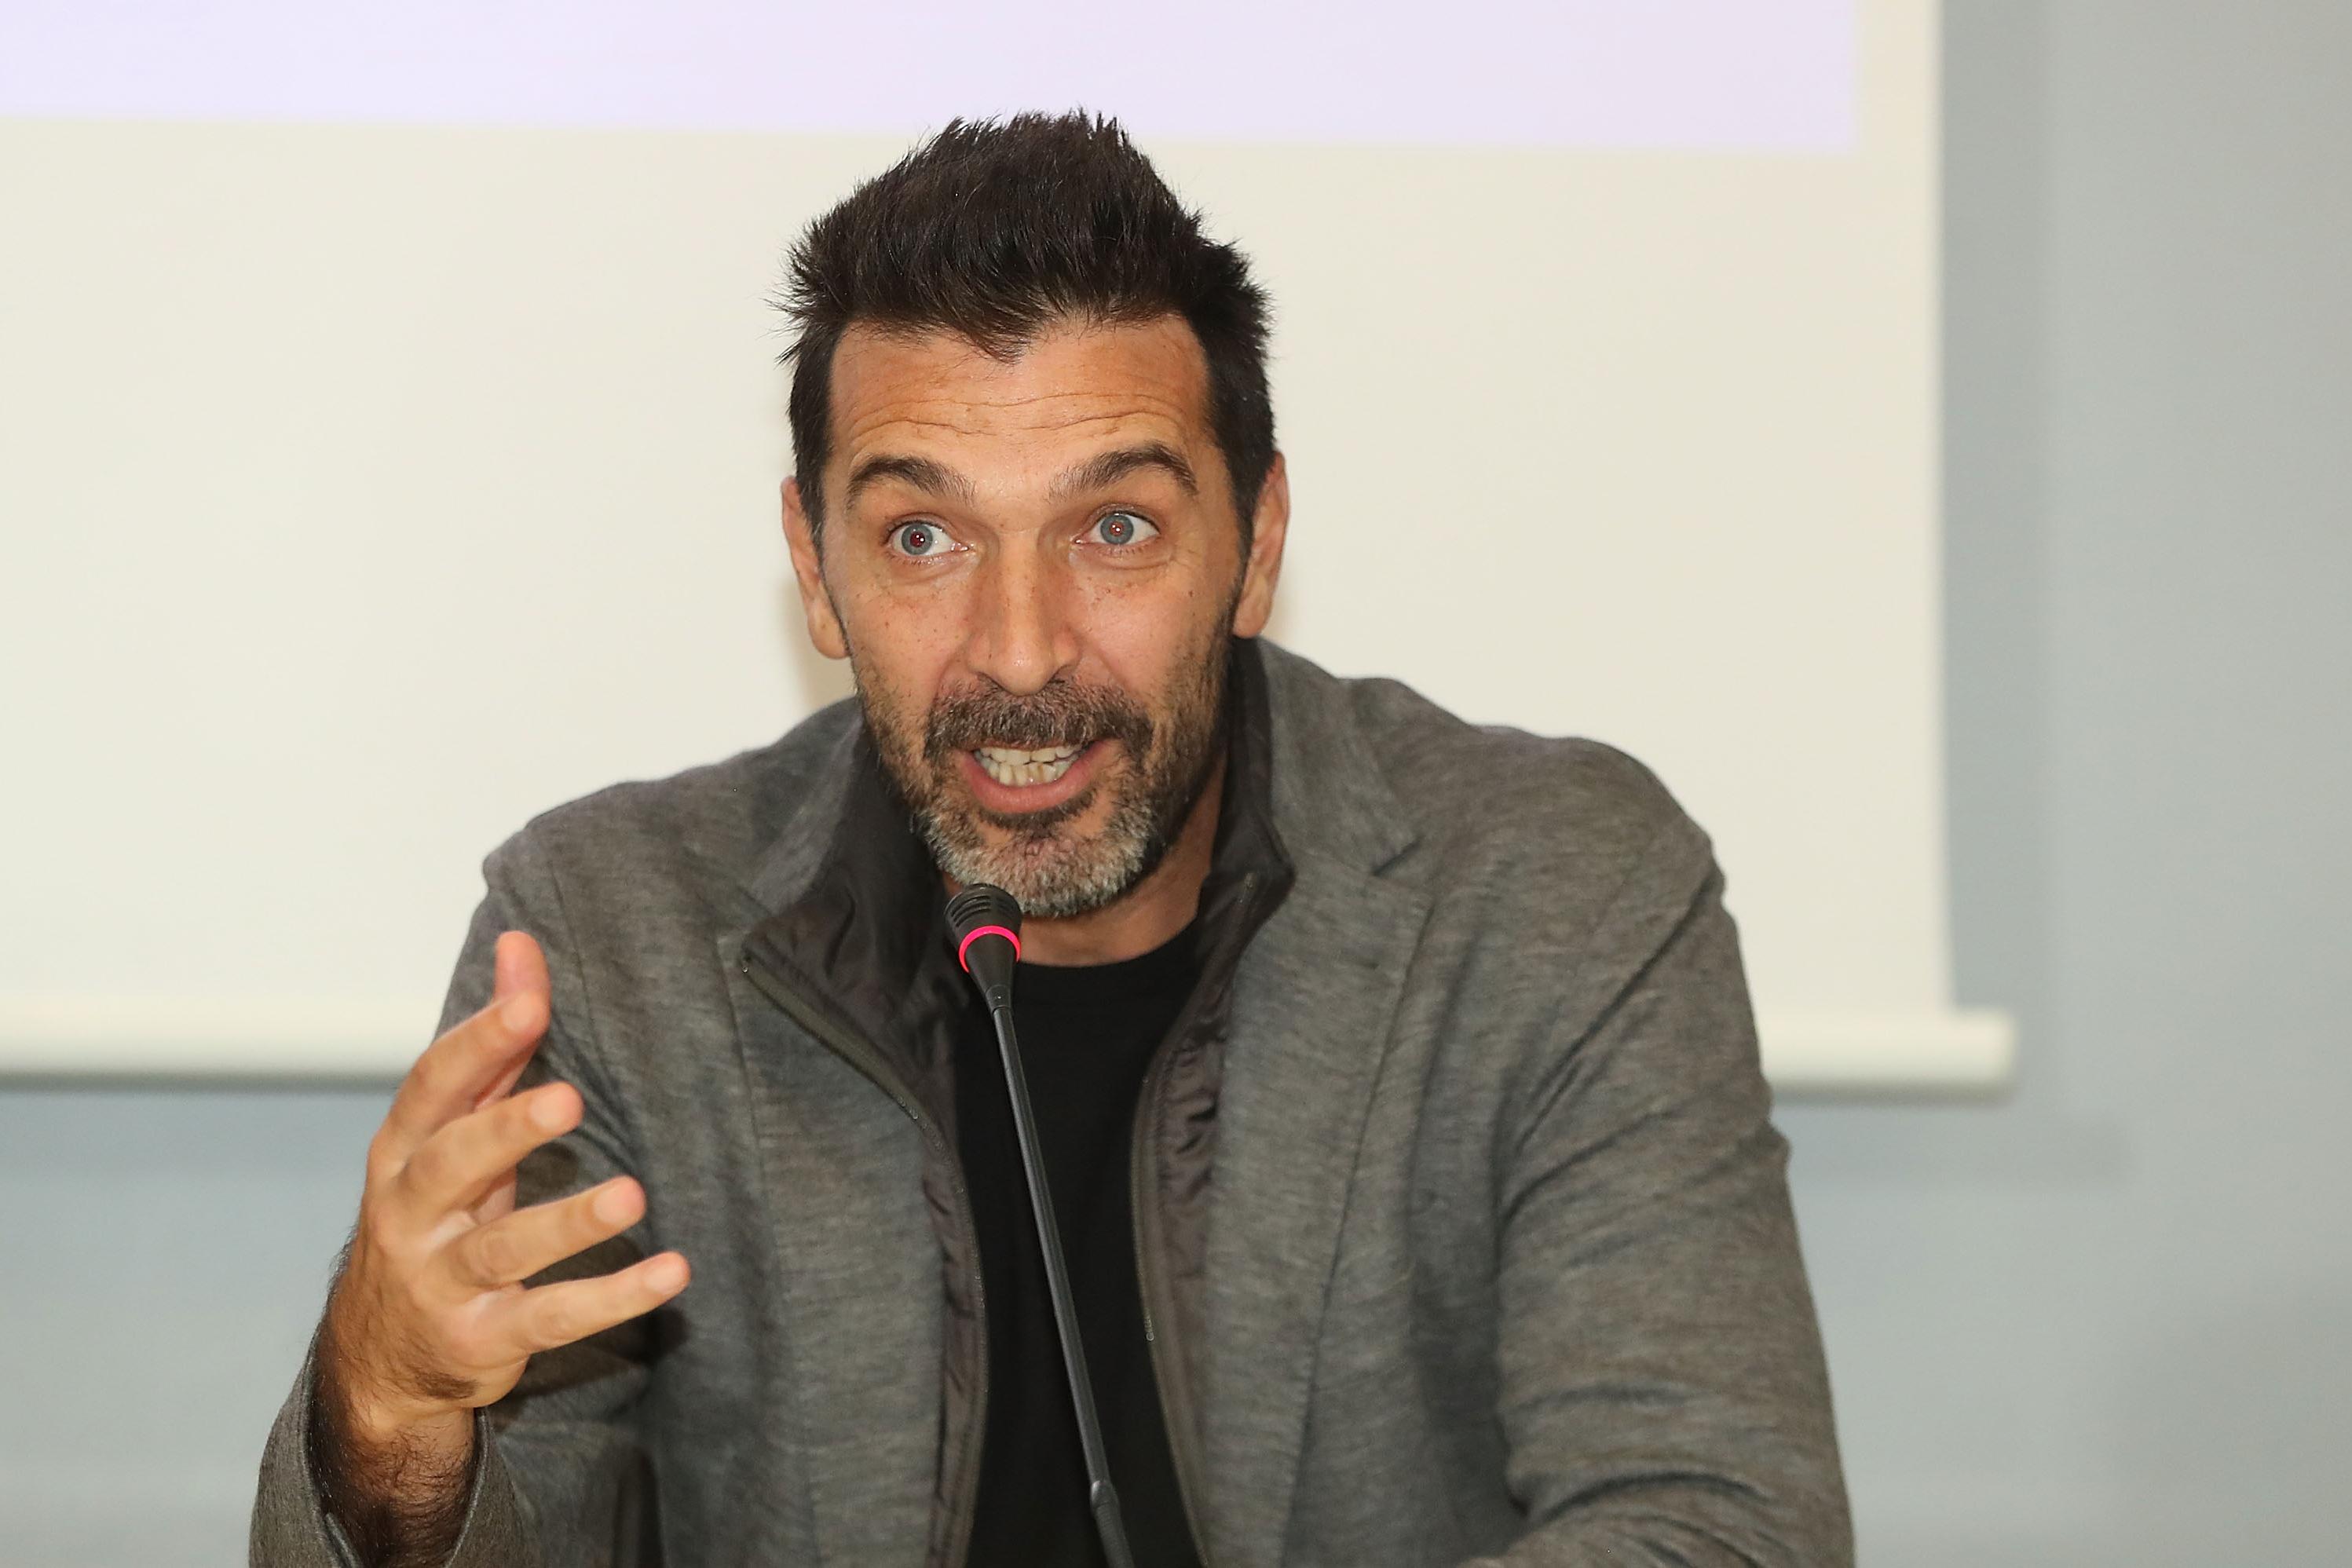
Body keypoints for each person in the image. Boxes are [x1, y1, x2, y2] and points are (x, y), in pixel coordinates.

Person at [251, 111, 1851, 1567]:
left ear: (1256, 543)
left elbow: (1716, 1527)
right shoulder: (607, 940)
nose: (1019, 651)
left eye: (1115, 529)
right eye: (925, 537)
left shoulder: (1553, 892)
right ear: (815, 570)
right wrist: (391, 1429)